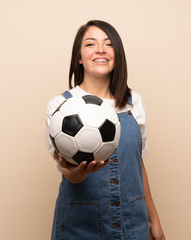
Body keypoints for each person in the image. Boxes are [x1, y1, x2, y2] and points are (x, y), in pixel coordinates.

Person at [46, 20, 166, 240]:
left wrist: (154, 220)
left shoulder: (133, 102)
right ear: (79, 58)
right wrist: (76, 174)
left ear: (117, 54)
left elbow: (137, 163)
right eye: (90, 44)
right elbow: (66, 171)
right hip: (80, 225)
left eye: (108, 44)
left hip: (132, 223)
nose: (100, 49)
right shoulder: (60, 107)